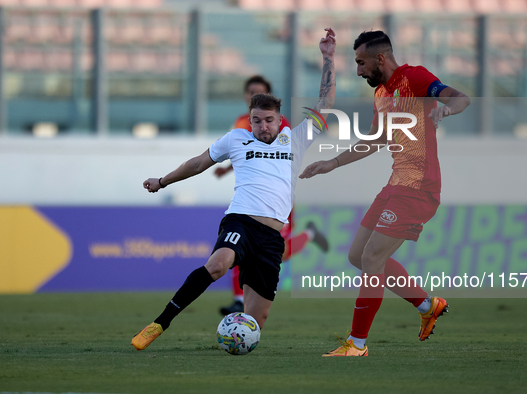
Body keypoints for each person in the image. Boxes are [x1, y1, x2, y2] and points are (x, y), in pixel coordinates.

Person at [131, 27, 336, 351]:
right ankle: (160, 323)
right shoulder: (237, 139)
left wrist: (328, 59)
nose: (262, 126)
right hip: (240, 220)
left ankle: (235, 348)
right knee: (218, 264)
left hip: (272, 237)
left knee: (256, 321)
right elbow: (198, 163)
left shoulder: (296, 138)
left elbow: (325, 103)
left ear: (279, 118)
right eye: (256, 120)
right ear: (250, 119)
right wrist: (162, 181)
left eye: (268, 120)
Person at [299, 30, 470, 356]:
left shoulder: (415, 78)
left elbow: (461, 98)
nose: (359, 70)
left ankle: (357, 344)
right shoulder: (381, 93)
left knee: (373, 258)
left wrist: (446, 109)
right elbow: (376, 139)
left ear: (380, 58)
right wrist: (332, 162)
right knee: (357, 256)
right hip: (395, 185)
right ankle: (427, 305)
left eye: (361, 63)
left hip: (419, 187)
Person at [216, 75, 329, 316]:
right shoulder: (240, 123)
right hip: (249, 201)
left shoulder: (280, 123)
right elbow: (245, 152)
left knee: (281, 253)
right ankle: (239, 300)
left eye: (258, 91)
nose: (252, 95)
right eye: (250, 92)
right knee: (238, 246)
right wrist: (226, 167)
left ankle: (309, 233)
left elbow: (273, 154)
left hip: (278, 200)